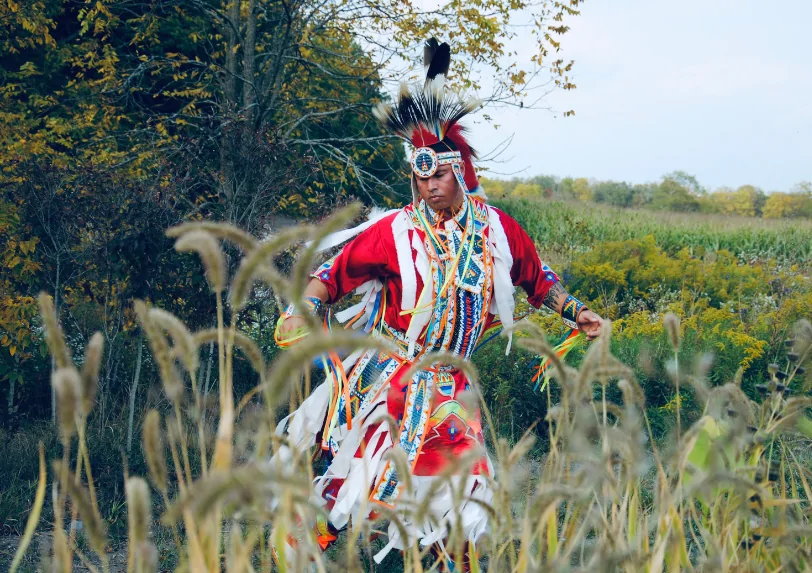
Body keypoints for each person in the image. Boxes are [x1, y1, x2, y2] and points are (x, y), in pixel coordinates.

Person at [272, 39, 603, 568]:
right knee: (357, 481)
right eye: (420, 176)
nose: (428, 186)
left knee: (463, 496)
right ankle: (312, 543)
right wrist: (301, 310)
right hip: (391, 375)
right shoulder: (395, 232)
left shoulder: (498, 231)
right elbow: (331, 275)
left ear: (462, 172)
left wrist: (575, 310)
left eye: (439, 175)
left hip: (452, 383)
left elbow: (537, 279)